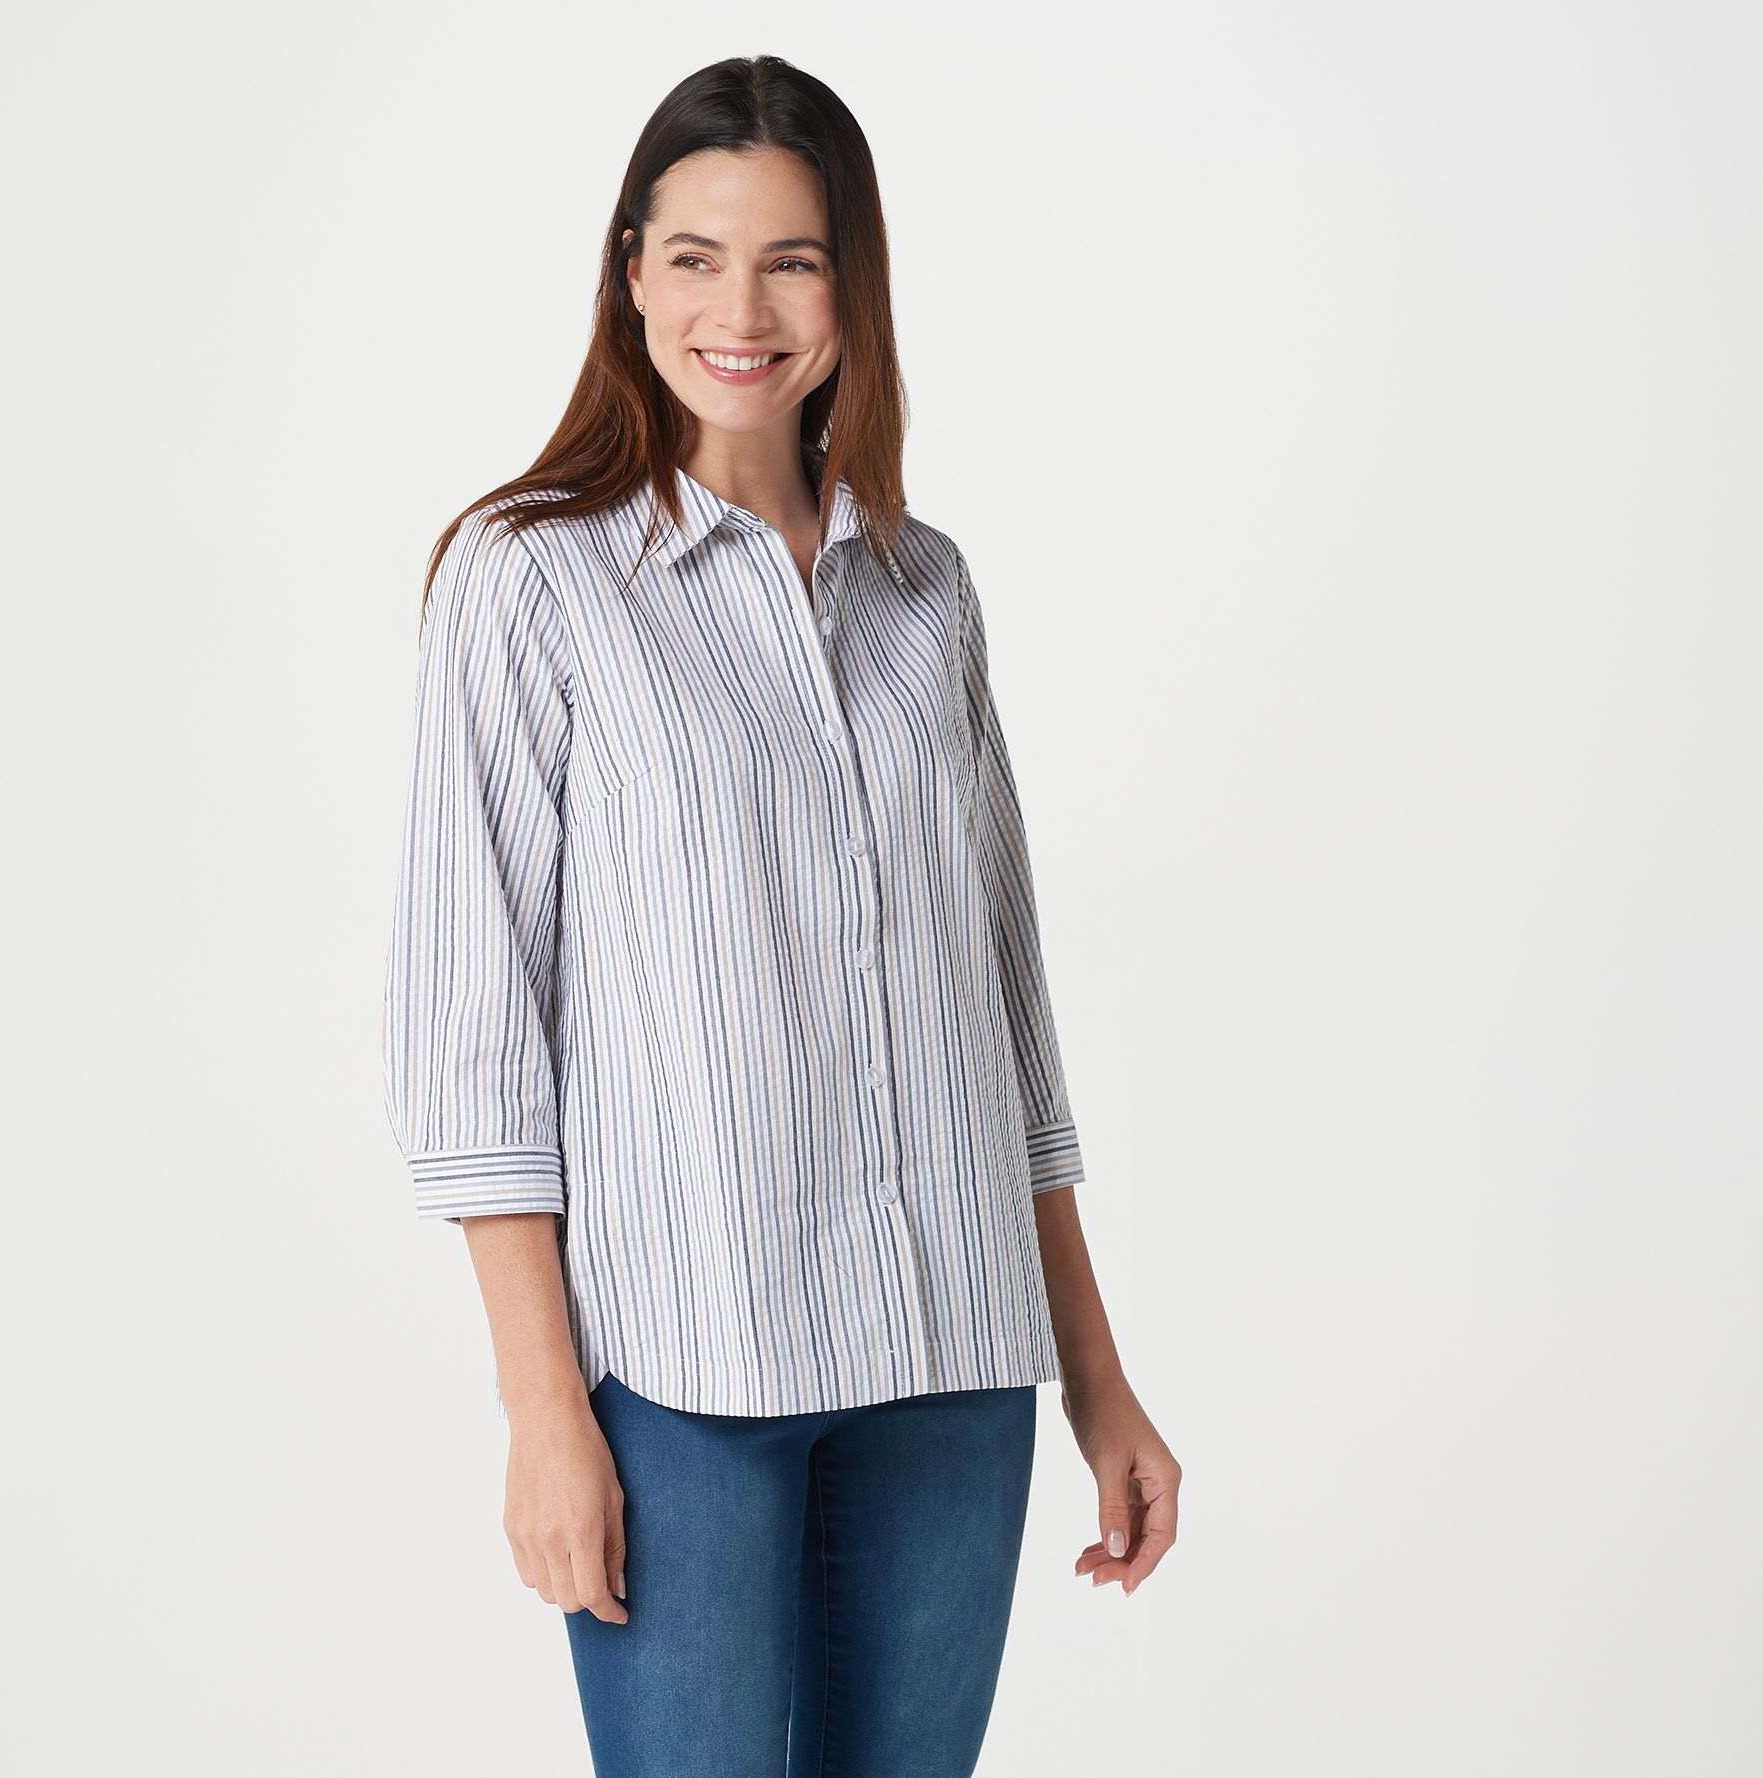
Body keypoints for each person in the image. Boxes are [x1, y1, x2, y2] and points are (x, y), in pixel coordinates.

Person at [381, 53, 1181, 1778]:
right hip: (688, 1373)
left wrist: (1096, 1372)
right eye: (695, 257)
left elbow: (1007, 1010)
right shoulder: (528, 580)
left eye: (791, 262)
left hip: (956, 1359)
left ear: (850, 286)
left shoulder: (926, 589)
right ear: (631, 273)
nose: (739, 311)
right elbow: (474, 1039)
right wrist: (544, 1411)